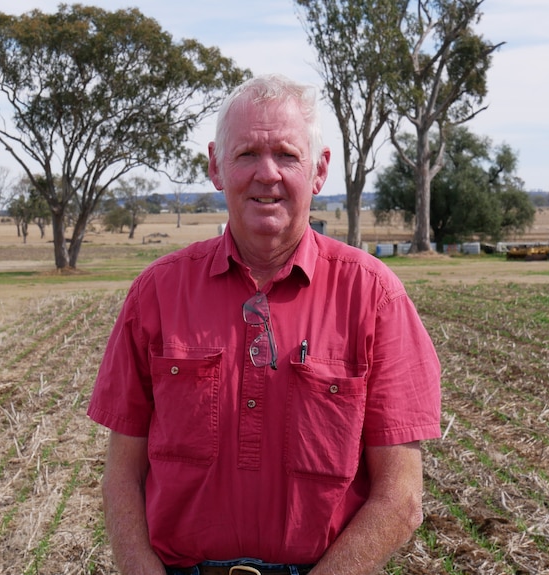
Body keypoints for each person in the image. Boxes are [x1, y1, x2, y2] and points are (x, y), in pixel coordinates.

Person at [88, 74, 442, 575]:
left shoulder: (374, 297)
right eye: (247, 153)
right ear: (216, 165)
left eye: (287, 155)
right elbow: (122, 476)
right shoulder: (156, 294)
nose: (267, 173)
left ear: (319, 171)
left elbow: (400, 499)